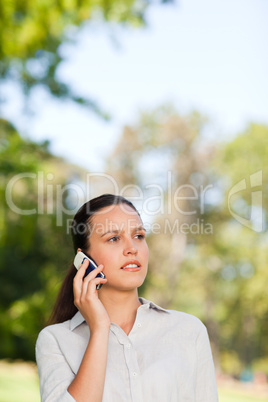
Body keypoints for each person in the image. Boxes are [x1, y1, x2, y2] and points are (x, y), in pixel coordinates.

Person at [35, 193, 218, 402]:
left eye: (139, 236)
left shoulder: (189, 330)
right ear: (83, 259)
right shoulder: (55, 340)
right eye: (113, 238)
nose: (132, 248)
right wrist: (99, 330)